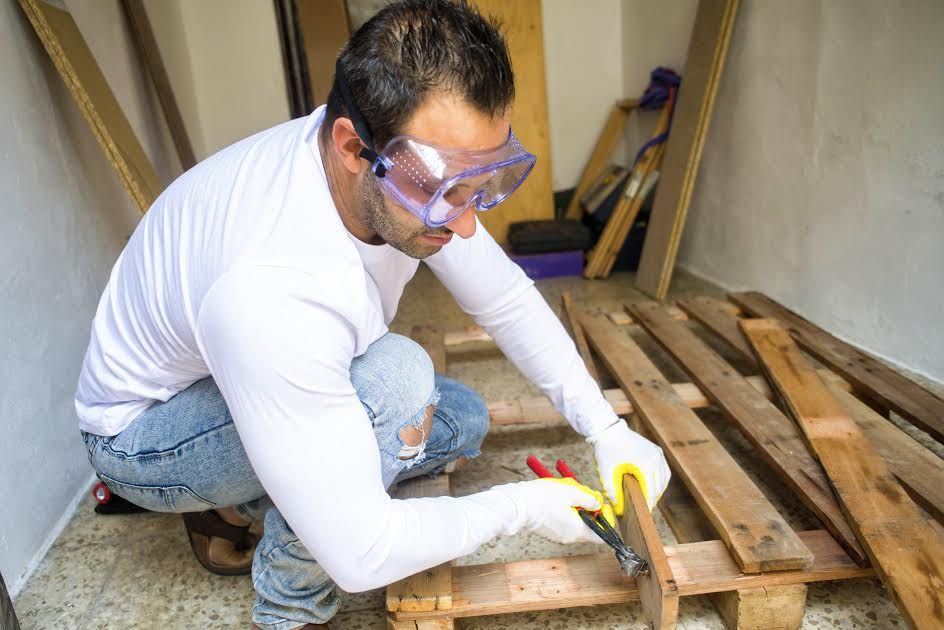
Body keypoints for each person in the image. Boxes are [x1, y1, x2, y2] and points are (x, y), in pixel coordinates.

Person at [75, 1, 670, 627]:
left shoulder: (380, 157)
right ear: (354, 148)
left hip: (238, 377)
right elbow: (363, 554)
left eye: (482, 186)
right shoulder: (272, 286)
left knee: (460, 419)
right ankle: (289, 605)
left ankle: (255, 494)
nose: (467, 222)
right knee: (398, 382)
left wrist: (605, 428)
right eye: (445, 191)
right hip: (146, 437)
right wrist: (520, 508)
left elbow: (506, 298)